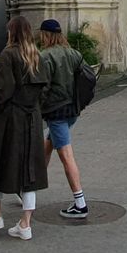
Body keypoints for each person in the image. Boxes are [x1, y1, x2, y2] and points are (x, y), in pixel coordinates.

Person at [0, 17, 48, 241]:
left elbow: (2, 90)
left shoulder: (8, 54)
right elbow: (44, 89)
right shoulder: (37, 55)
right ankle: (26, 223)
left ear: (11, 33)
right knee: (29, 171)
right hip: (32, 119)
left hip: (9, 118)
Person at [36, 19, 90, 220]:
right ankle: (28, 187)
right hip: (72, 110)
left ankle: (80, 203)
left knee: (66, 156)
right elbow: (88, 76)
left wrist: (37, 108)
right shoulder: (74, 53)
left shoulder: (45, 56)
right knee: (47, 146)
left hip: (56, 112)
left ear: (45, 35)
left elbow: (43, 87)